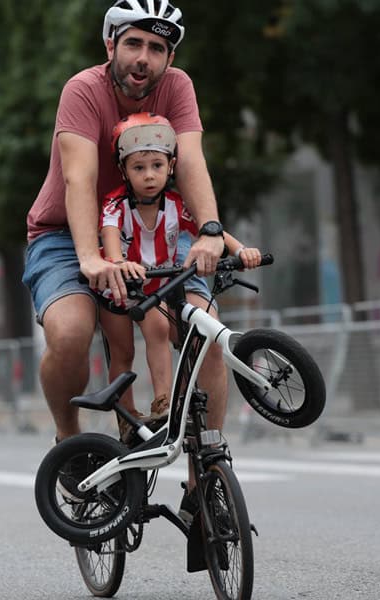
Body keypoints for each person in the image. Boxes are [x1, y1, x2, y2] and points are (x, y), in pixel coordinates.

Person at [22, 1, 227, 520]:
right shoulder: (83, 90)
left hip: (151, 225)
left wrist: (209, 231)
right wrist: (91, 258)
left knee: (206, 332)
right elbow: (79, 178)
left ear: (169, 57)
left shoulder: (177, 87)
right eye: (133, 43)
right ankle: (70, 442)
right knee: (70, 332)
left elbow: (192, 161)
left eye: (157, 48)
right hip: (65, 233)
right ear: (110, 45)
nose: (143, 58)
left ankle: (205, 480)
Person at [98, 113, 262, 442]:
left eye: (157, 166)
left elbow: (211, 232)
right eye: (138, 167)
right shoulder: (115, 205)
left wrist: (241, 250)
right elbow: (110, 238)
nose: (149, 175)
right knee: (122, 352)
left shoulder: (177, 205)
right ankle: (128, 418)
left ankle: (167, 403)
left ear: (171, 166)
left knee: (166, 329)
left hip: (157, 287)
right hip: (119, 287)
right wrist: (118, 262)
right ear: (124, 170)